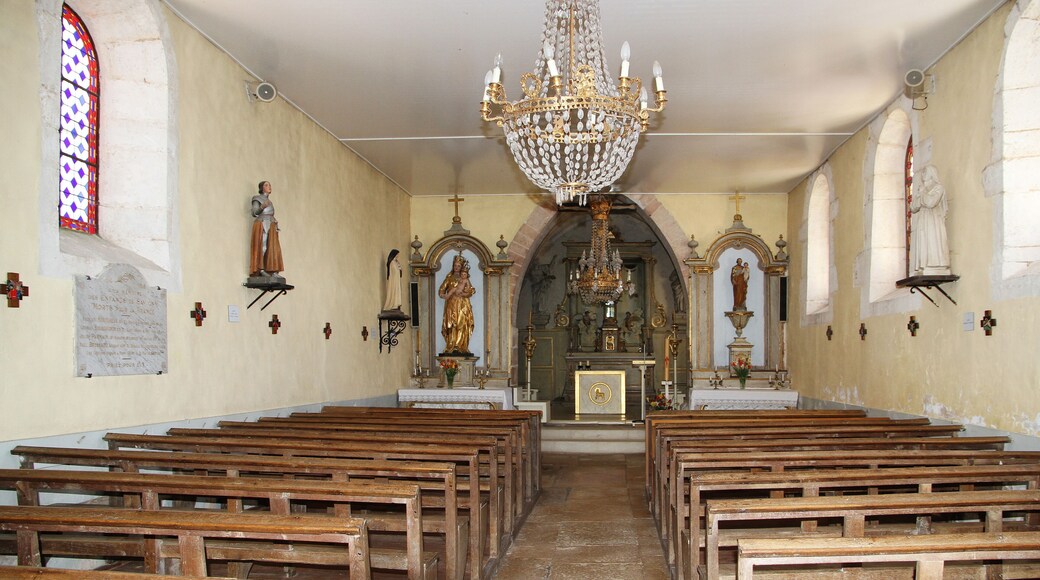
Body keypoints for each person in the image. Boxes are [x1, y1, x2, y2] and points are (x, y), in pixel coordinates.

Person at [910, 165, 951, 276]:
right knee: (924, 240)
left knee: (933, 241)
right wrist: (920, 196)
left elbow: (930, 202)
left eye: (925, 172)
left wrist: (922, 194)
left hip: (934, 221)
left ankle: (936, 265)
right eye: (922, 172)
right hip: (923, 220)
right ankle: (925, 265)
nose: (923, 174)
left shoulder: (938, 188)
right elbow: (913, 207)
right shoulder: (923, 189)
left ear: (932, 173)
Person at [439, 255, 476, 354]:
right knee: (451, 324)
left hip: (463, 305)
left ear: (461, 267)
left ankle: (461, 346)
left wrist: (464, 294)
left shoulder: (464, 279)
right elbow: (442, 289)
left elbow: (471, 290)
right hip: (451, 304)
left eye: (458, 266)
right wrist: (444, 295)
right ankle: (451, 345)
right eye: (455, 265)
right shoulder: (449, 278)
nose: (456, 267)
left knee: (462, 324)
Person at [249, 181, 284, 277]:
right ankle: (261, 269)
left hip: (271, 223)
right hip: (263, 222)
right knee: (263, 246)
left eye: (269, 185)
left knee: (272, 247)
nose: (269, 186)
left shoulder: (270, 202)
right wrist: (262, 206)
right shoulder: (257, 198)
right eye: (266, 185)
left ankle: (272, 270)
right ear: (261, 188)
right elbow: (254, 212)